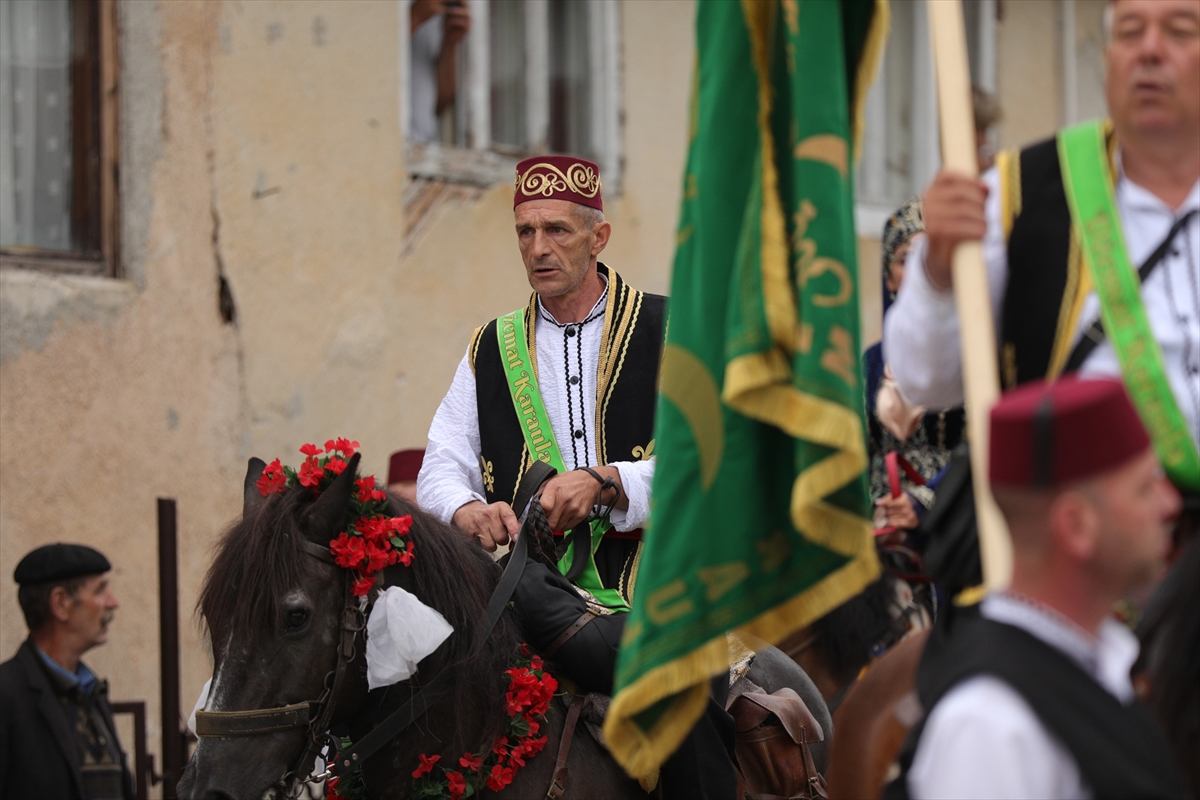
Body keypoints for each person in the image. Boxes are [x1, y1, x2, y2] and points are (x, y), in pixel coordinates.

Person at [418, 154, 735, 799]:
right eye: (525, 232)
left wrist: (608, 481)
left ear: (600, 236)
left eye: (558, 230)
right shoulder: (490, 346)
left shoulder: (669, 327)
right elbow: (440, 467)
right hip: (530, 583)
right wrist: (463, 511)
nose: (539, 248)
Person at [884, 0, 1200, 546]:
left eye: (1179, 31)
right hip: (1080, 578)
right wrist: (936, 268)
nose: (1150, 50)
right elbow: (923, 380)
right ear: (1107, 61)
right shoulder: (1022, 192)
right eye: (1130, 32)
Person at [889, 377, 1189, 799]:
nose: (1170, 505)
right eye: (1144, 489)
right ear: (1077, 526)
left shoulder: (1110, 654)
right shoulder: (991, 724)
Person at [0, 543, 134, 800]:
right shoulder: (7, 695)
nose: (113, 602)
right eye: (100, 590)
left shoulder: (92, 694)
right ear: (61, 603)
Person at [410, 0, 471, 144]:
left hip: (421, 146)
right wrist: (414, 18)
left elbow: (438, 104)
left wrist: (450, 42)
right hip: (377, 145)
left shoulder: (435, 11)